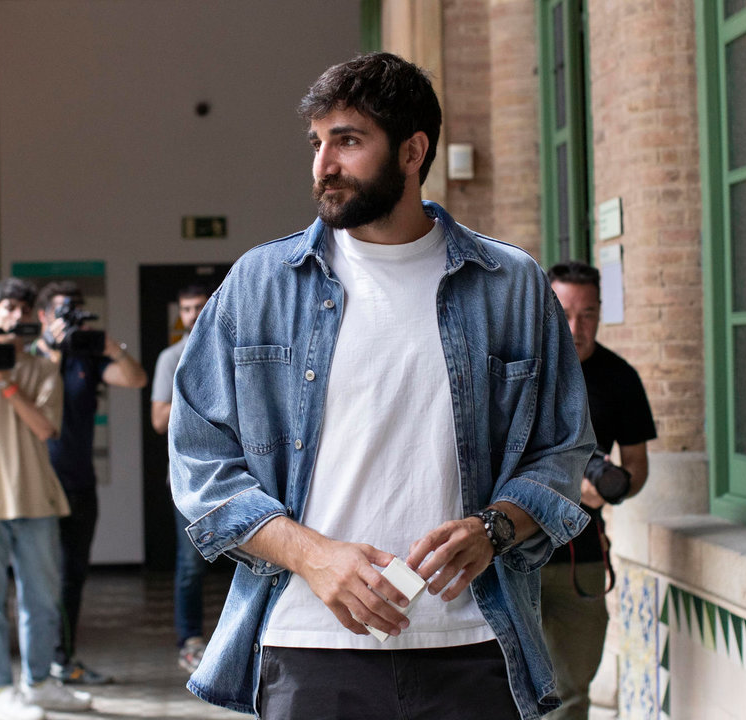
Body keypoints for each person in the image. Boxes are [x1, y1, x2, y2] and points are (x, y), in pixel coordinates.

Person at [168, 52, 596, 719]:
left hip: (474, 644)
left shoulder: (511, 285)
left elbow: (564, 450)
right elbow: (199, 462)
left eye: (349, 140)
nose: (324, 164)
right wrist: (314, 558)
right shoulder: (259, 286)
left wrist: (493, 526)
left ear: (412, 151)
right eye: (318, 142)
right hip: (309, 646)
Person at [0, 277, 93, 720]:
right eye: (6, 308)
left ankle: (40, 683)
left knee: (41, 599)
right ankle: (1, 691)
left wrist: (6, 384)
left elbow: (46, 429)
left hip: (36, 500)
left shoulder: (44, 368)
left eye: (22, 310)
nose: (15, 316)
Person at [541, 261, 657, 720]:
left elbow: (637, 467)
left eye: (588, 314)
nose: (576, 326)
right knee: (502, 687)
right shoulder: (516, 367)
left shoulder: (620, 377)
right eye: (565, 311)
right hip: (509, 554)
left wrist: (609, 490)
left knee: (570, 693)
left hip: (581, 555)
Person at [32, 280, 148, 685]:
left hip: (80, 482)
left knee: (72, 575)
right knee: (38, 576)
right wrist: (49, 350)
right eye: (63, 312)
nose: (71, 321)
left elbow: (135, 379)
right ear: (44, 316)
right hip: (36, 486)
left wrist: (112, 348)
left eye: (77, 313)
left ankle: (62, 660)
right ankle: (38, 666)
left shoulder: (87, 355)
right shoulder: (30, 356)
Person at [150, 284, 212, 673]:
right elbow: (158, 420)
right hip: (189, 477)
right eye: (186, 309)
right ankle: (190, 641)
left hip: (242, 473)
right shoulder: (171, 357)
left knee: (259, 559)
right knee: (190, 565)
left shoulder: (230, 347)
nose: (191, 315)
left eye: (198, 307)